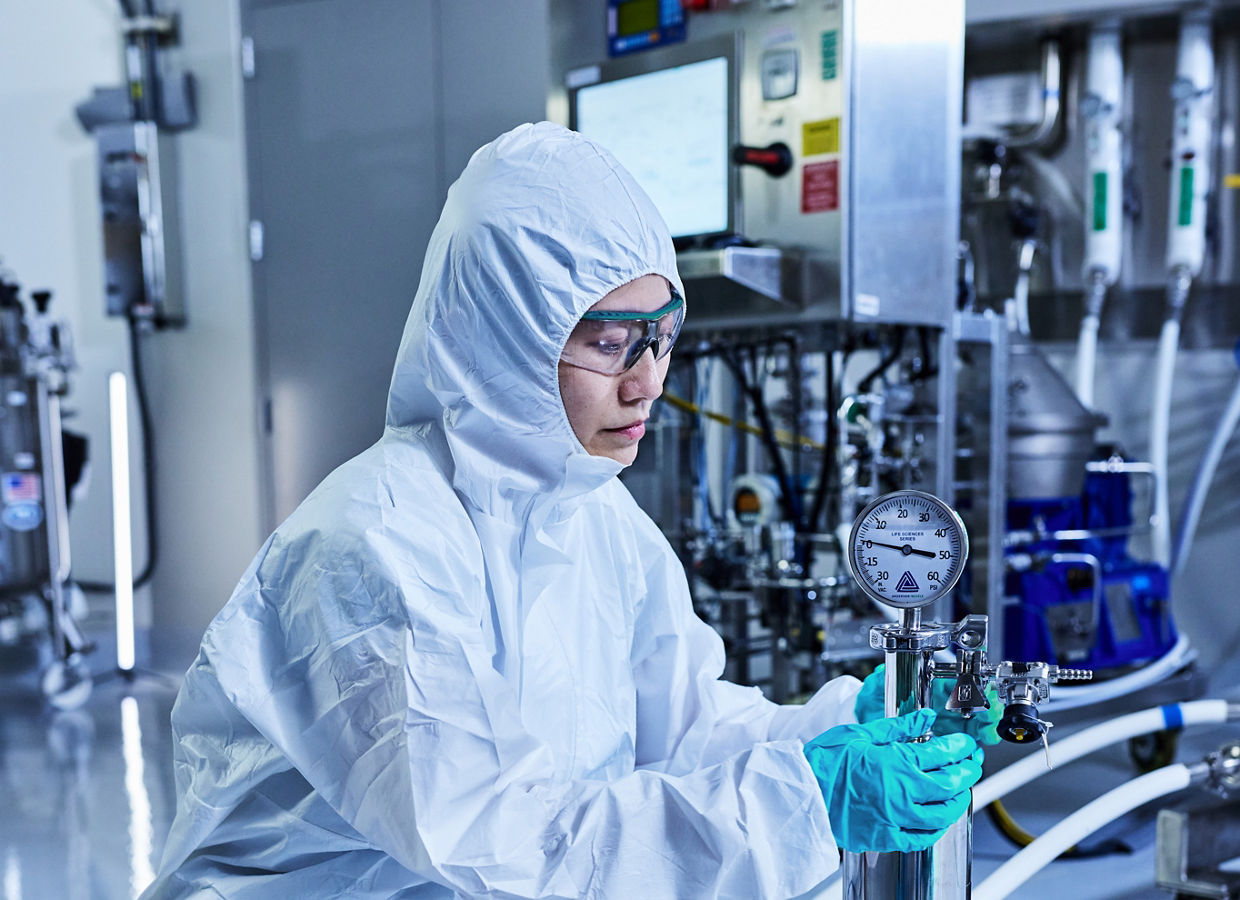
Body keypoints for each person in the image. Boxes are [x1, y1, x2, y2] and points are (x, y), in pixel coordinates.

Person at [143, 122, 993, 900]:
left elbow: (684, 730)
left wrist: (851, 724)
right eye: (610, 341)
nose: (649, 380)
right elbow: (507, 844)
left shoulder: (594, 515)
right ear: (505, 335)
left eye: (661, 336)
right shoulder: (373, 546)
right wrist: (804, 803)